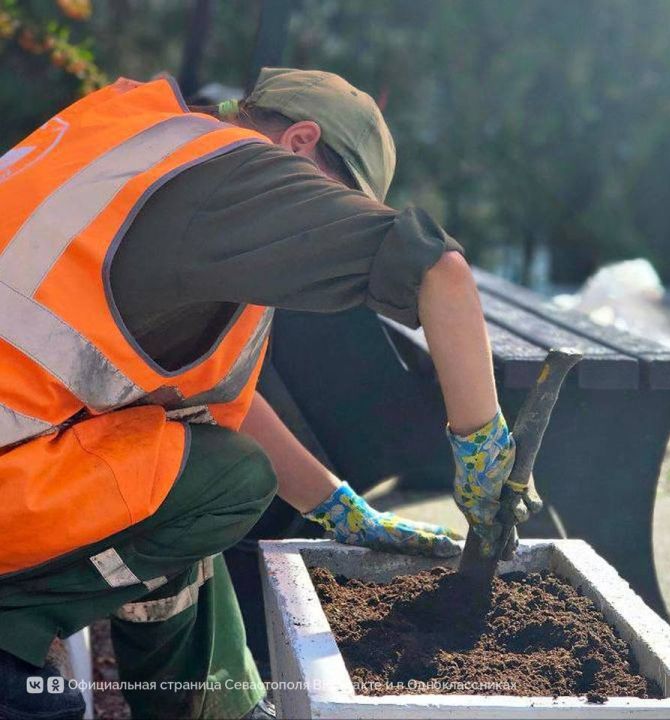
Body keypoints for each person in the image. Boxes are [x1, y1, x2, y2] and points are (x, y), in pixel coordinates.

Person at [0, 68, 536, 720]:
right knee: (223, 484)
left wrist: (339, 510)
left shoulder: (146, 149)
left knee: (177, 484)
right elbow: (440, 272)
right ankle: (13, 633)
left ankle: (207, 709)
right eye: (335, 195)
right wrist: (483, 450)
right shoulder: (235, 176)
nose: (325, 215)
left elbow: (211, 412)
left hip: (23, 451)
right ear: (300, 142)